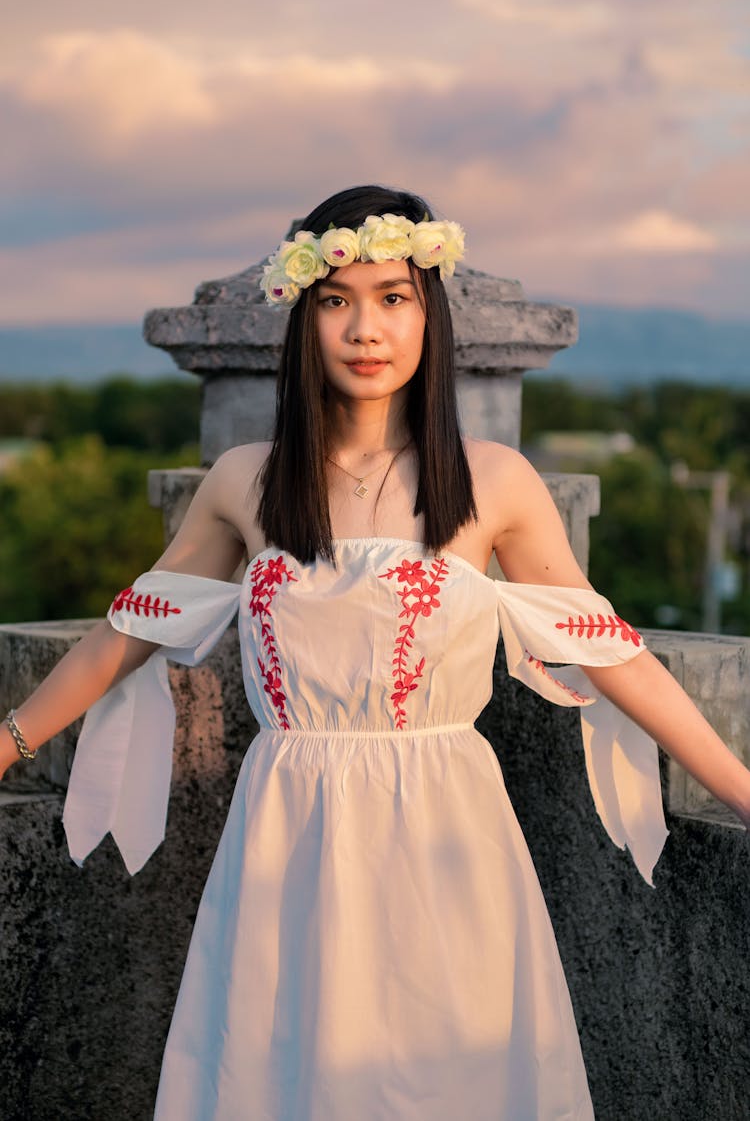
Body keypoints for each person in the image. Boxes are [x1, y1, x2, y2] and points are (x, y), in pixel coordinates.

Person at [1, 184, 749, 1121]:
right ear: (304, 318)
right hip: (286, 839)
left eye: (393, 297)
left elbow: (615, 653)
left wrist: (741, 787)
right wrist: (8, 745)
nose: (366, 327)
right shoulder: (249, 482)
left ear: (428, 314)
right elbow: (127, 635)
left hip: (446, 838)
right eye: (337, 300)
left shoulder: (494, 482)